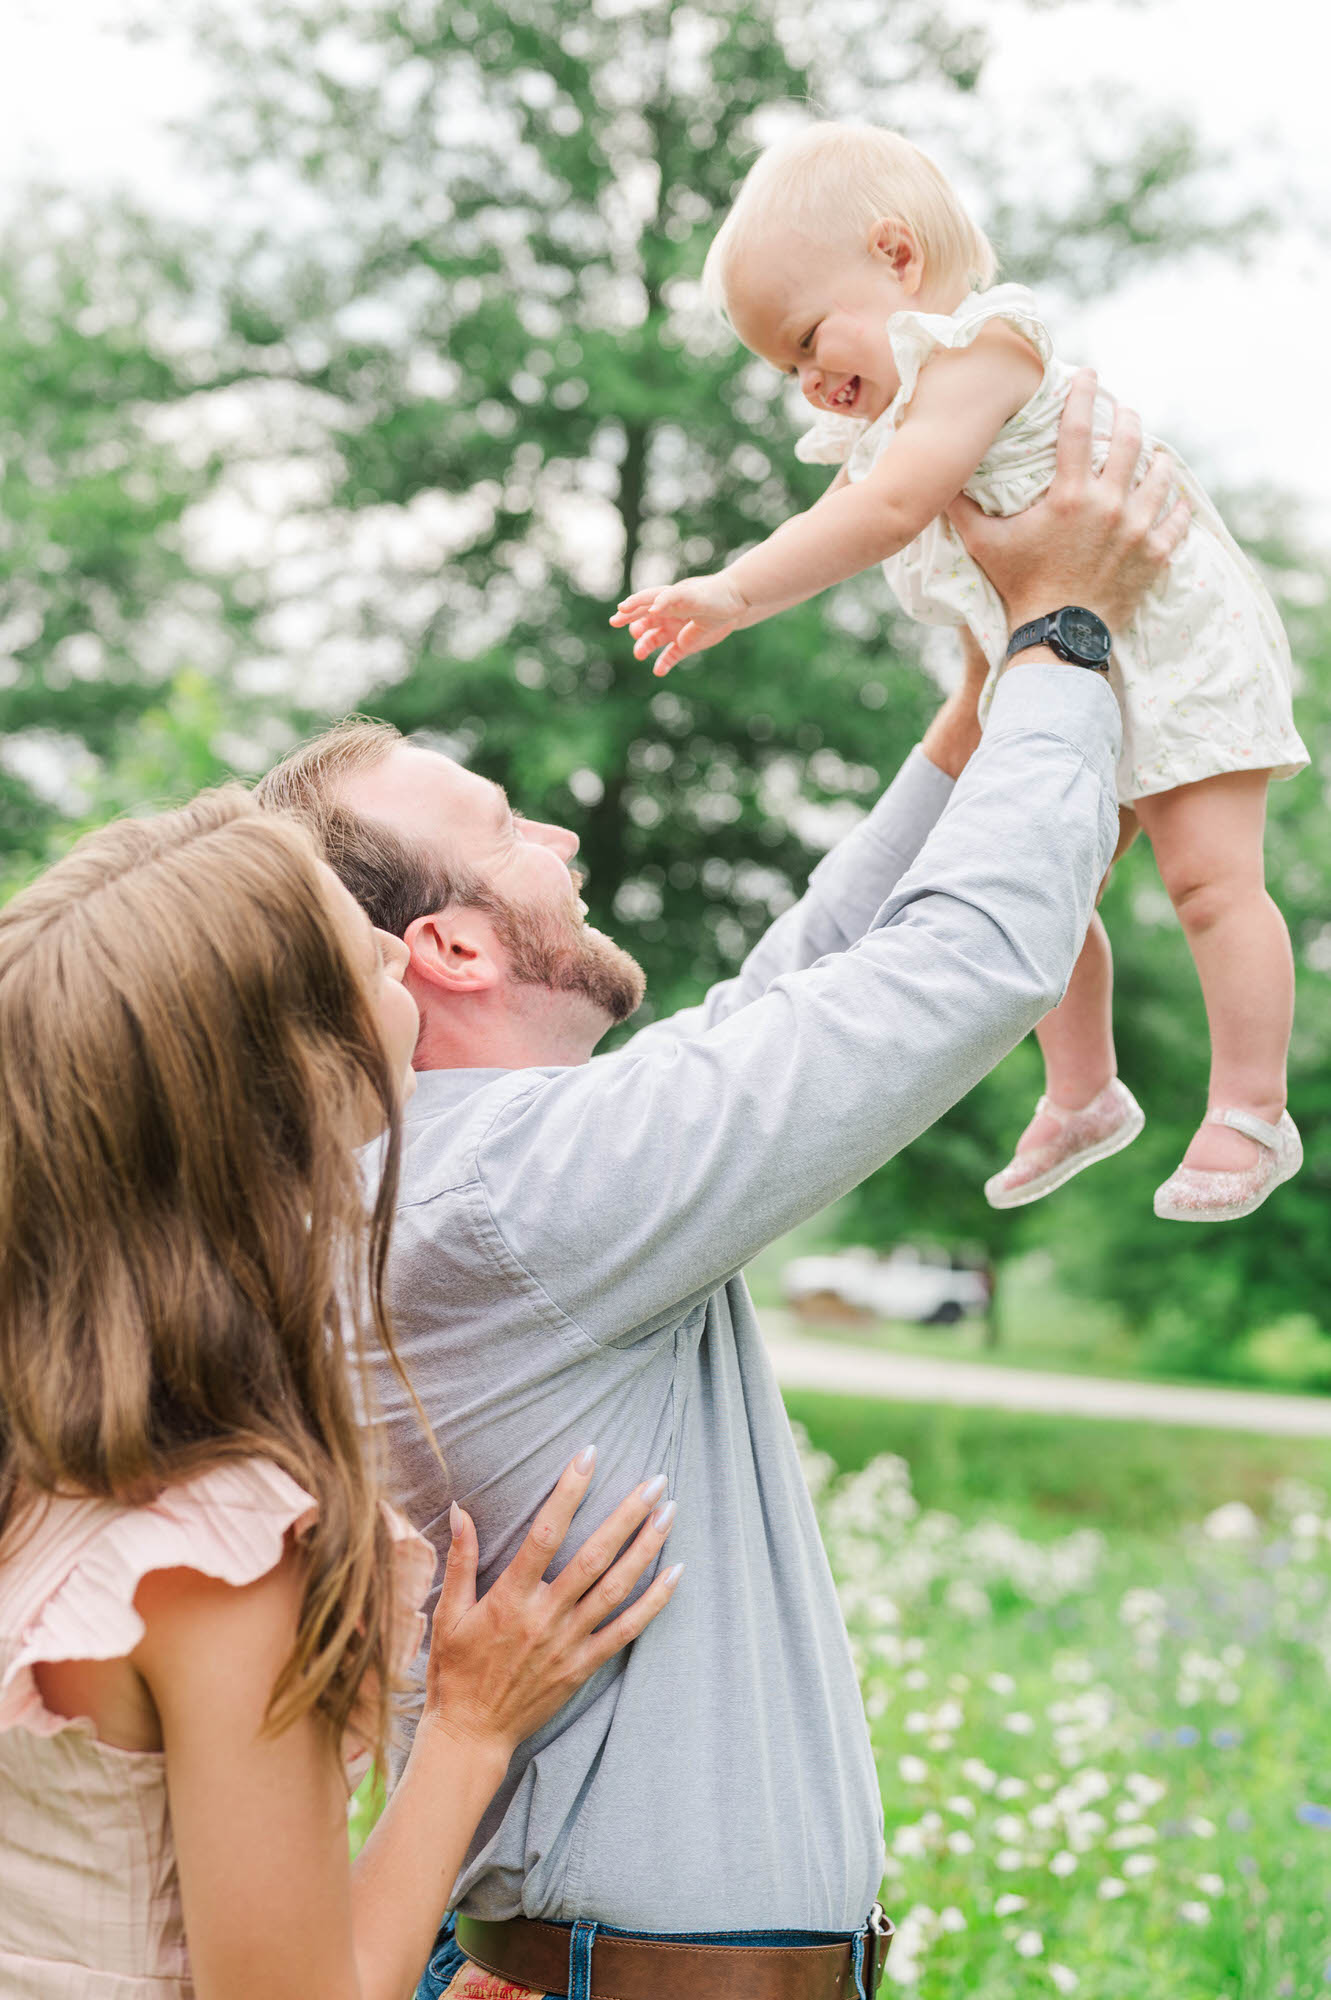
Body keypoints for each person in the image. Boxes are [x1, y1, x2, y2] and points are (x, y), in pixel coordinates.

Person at [255, 373, 1185, 2000]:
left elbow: (789, 995)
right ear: (452, 946)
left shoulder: (475, 1178)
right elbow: (961, 969)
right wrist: (1069, 638)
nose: (556, 825)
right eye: (505, 827)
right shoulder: (515, 1194)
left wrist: (976, 704)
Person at [0, 789, 683, 2000]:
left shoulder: (41, 1465)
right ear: (290, 1079)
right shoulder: (217, 1554)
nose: (396, 948)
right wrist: (472, 1728)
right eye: (361, 947)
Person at [612, 121, 1307, 1226]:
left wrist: (734, 592)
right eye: (783, 369)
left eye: (805, 339)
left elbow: (882, 511)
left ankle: (1250, 1108)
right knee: (1043, 886)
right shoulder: (894, 413)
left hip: (1169, 637)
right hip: (1058, 655)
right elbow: (861, 499)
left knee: (1206, 881)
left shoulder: (983, 346)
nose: (805, 383)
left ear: (895, 259)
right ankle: (1081, 1090)